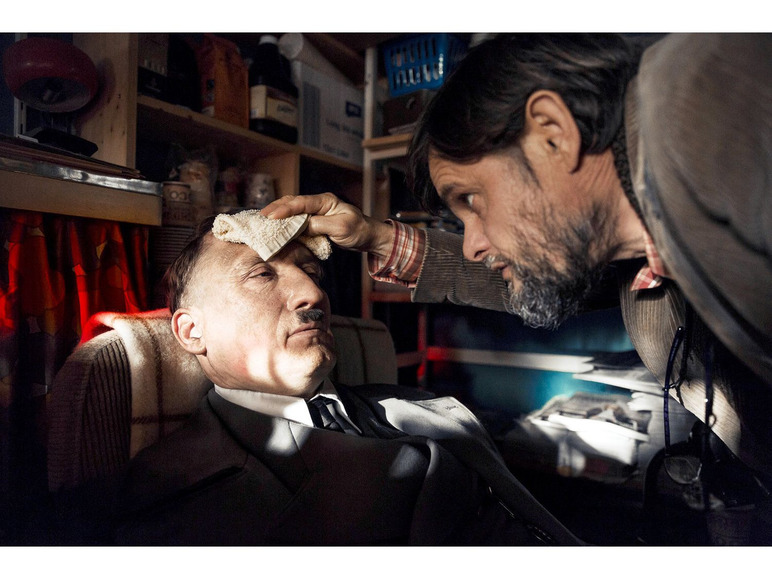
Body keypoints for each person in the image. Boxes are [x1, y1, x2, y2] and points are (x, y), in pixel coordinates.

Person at [261, 33, 772, 483]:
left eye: (470, 199)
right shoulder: (625, 246)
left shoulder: (706, 96)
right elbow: (530, 274)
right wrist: (376, 238)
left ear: (552, 133)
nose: (471, 245)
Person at [53, 212, 582, 546]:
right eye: (261, 274)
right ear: (192, 332)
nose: (313, 294)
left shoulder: (427, 405)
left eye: (312, 273)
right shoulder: (162, 505)